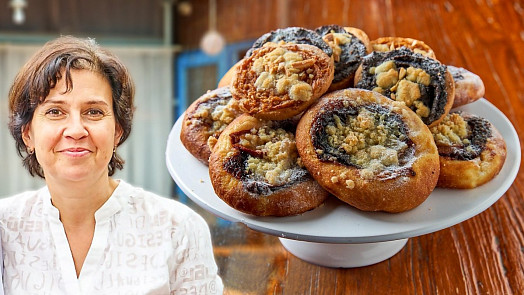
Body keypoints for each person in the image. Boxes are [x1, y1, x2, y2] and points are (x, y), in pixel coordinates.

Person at [0, 36, 223, 294]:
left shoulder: (178, 229)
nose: (75, 130)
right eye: (55, 112)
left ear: (117, 131)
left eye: (93, 112)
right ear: (28, 134)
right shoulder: (5, 225)